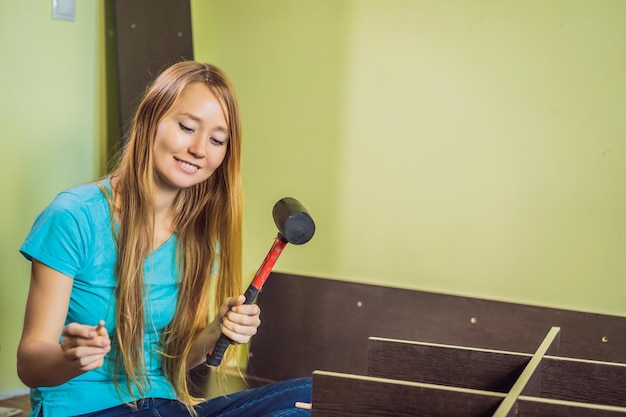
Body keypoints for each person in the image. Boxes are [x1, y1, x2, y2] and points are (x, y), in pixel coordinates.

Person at [17, 61, 312, 417]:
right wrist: (70, 359)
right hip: (84, 409)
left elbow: (173, 360)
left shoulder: (198, 238)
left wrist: (216, 331)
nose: (200, 149)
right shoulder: (73, 217)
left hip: (161, 407)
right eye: (187, 127)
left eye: (217, 140)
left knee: (314, 397)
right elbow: (29, 363)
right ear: (150, 120)